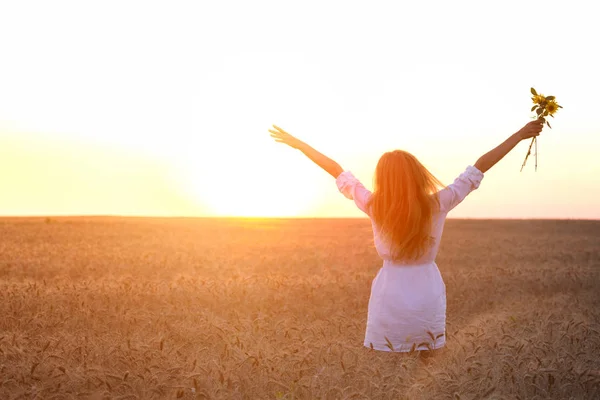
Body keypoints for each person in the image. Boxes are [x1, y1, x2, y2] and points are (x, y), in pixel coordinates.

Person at [269, 120, 544, 352]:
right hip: (428, 294)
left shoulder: (375, 205)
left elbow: (337, 171)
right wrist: (519, 136)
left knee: (385, 370)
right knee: (428, 370)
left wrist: (300, 145)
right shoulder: (438, 203)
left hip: (388, 296)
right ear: (416, 176)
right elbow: (479, 167)